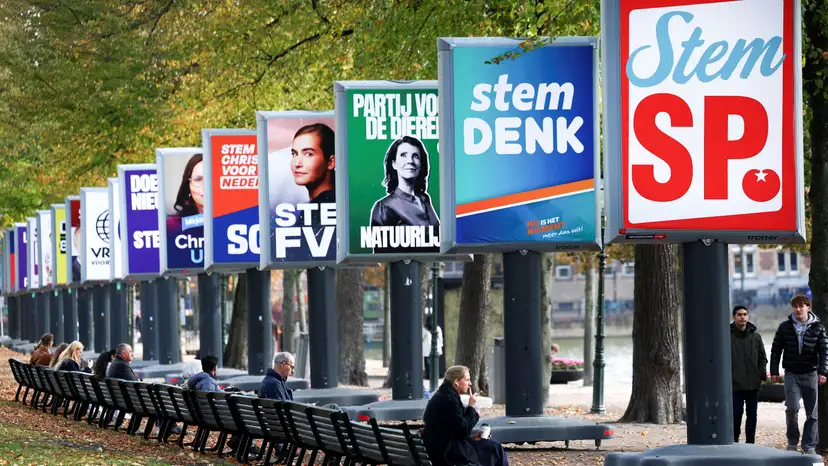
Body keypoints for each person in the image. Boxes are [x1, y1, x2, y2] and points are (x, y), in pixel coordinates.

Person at [770, 294, 828, 454]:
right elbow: (776, 349)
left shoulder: (818, 327)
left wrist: (823, 372)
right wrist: (774, 370)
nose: (798, 309)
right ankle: (792, 442)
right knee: (792, 408)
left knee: (812, 413)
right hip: (791, 374)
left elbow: (824, 351)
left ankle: (809, 445)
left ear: (808, 308)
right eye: (795, 306)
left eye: (801, 306)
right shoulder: (785, 327)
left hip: (811, 373)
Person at [423, 365, 508, 466]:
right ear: (456, 382)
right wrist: (471, 407)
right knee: (495, 448)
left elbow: (455, 429)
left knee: (493, 446)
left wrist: (471, 437)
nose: (470, 384)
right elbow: (464, 429)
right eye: (467, 380)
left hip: (442, 447)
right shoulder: (449, 400)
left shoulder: (443, 395)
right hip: (449, 453)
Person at [276, 123, 336, 262]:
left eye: (308, 154)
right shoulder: (316, 207)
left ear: (330, 162)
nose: (297, 163)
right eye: (294, 154)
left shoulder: (324, 208)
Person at [369, 135, 439, 254]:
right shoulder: (384, 207)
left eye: (415, 156)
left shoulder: (425, 199)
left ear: (421, 165)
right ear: (394, 164)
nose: (410, 161)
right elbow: (381, 256)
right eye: (403, 155)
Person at [730, 305, 767, 444]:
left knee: (752, 415)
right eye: (739, 314)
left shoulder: (756, 337)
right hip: (734, 384)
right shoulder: (726, 336)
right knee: (736, 413)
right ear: (734, 317)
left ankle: (750, 442)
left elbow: (762, 357)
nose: (742, 317)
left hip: (753, 383)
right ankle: (734, 440)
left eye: (745, 314)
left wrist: (761, 375)